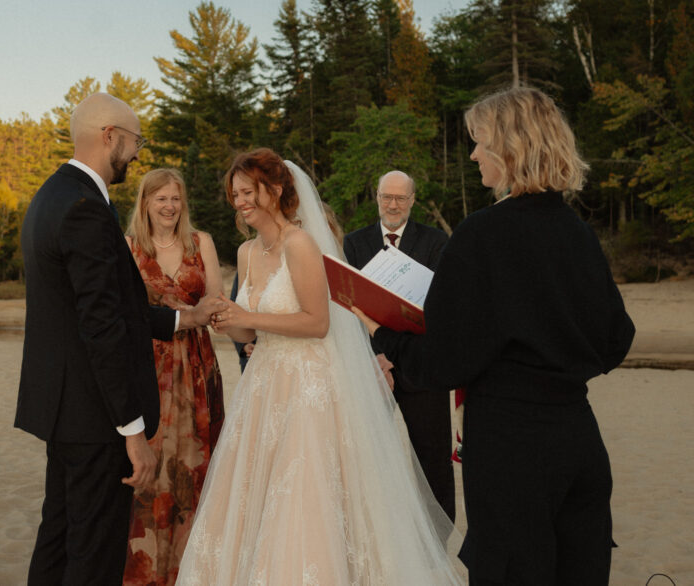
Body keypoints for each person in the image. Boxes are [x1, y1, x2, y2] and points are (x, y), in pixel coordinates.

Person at [351, 87, 635, 585]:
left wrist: (379, 331)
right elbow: (616, 340)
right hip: (579, 440)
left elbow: (441, 363)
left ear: (510, 147)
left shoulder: (481, 233)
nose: (473, 153)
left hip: (509, 449)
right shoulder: (578, 231)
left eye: (480, 141)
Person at [176, 148, 464, 584]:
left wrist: (248, 317)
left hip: (308, 385)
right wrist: (225, 319)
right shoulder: (248, 251)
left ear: (274, 191)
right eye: (234, 194)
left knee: (305, 496)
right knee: (256, 495)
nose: (239, 202)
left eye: (247, 192)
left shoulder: (301, 243)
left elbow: (317, 321)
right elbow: (248, 333)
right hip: (264, 387)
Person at [15, 92, 224, 585]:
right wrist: (133, 433)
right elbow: (101, 325)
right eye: (134, 141)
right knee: (95, 552)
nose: (136, 153)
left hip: (63, 409)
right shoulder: (87, 207)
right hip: (95, 415)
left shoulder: (51, 196)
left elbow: (111, 307)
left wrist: (182, 320)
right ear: (109, 136)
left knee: (59, 537)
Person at [122, 168, 226, 585]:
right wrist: (188, 316)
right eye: (160, 198)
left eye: (176, 199)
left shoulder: (201, 243)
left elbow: (216, 301)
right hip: (149, 369)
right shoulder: (128, 248)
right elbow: (127, 316)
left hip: (199, 370)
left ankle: (193, 574)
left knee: (197, 471)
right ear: (145, 202)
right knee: (152, 473)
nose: (169, 206)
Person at [343, 170, 456, 524]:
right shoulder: (354, 243)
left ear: (412, 200)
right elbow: (347, 307)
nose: (393, 205)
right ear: (376, 197)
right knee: (366, 456)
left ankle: (439, 534)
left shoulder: (437, 242)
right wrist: (376, 356)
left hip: (421, 366)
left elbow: (440, 306)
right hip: (371, 367)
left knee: (432, 457)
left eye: (401, 198)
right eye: (386, 197)